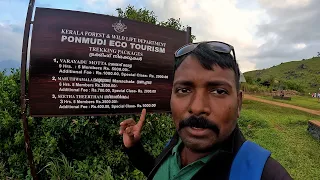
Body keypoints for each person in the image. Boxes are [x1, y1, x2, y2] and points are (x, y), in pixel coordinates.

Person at [119, 41, 292, 180]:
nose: (197, 108)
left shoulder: (263, 173)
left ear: (238, 103)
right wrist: (135, 149)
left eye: (218, 91)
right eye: (184, 90)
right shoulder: (176, 144)